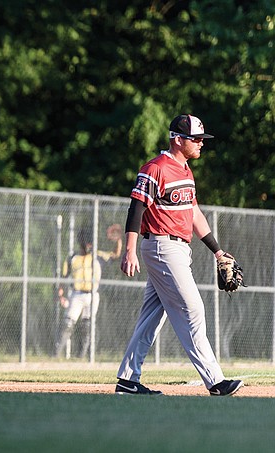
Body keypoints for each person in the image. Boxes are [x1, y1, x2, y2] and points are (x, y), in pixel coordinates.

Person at [115, 114, 242, 396]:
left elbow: (194, 214)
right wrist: (130, 251)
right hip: (161, 246)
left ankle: (127, 379)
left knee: (152, 316)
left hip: (179, 249)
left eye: (201, 139)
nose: (200, 144)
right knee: (193, 309)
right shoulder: (155, 169)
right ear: (178, 139)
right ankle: (216, 381)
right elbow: (136, 210)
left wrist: (217, 250)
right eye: (196, 139)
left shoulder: (185, 171)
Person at [54, 227, 121, 358]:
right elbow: (63, 277)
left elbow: (116, 255)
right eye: (85, 244)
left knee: (87, 325)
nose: (87, 246)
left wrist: (118, 240)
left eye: (89, 243)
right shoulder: (73, 258)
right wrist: (60, 294)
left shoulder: (98, 256)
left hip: (92, 294)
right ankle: (56, 354)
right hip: (76, 294)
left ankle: (82, 355)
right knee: (68, 323)